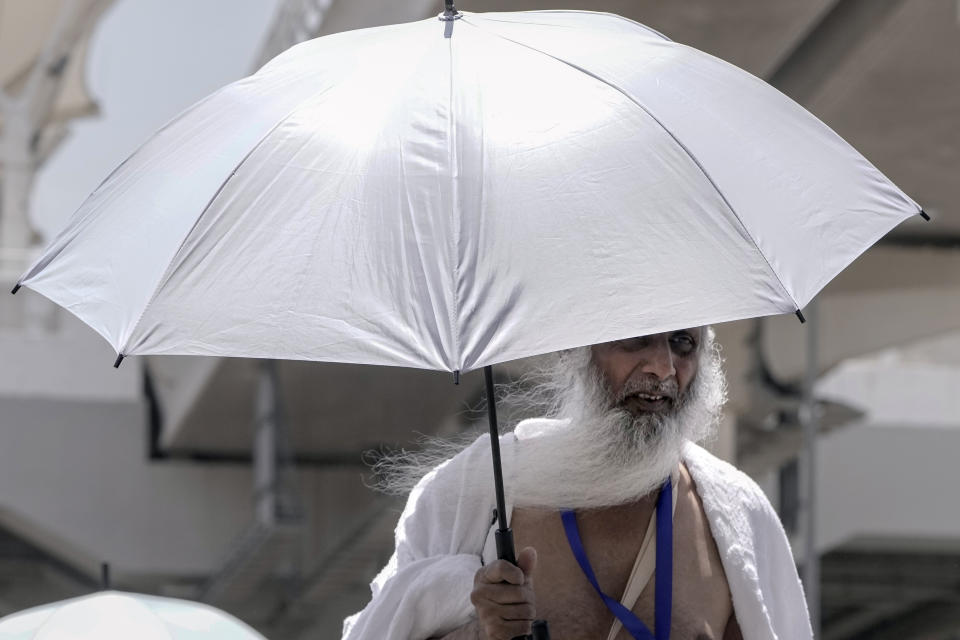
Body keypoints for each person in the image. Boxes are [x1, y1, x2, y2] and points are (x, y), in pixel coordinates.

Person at [342, 327, 813, 640]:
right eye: (636, 339)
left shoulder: (737, 516)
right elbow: (383, 625)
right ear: (578, 351)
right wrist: (477, 624)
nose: (663, 368)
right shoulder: (474, 490)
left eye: (683, 343)